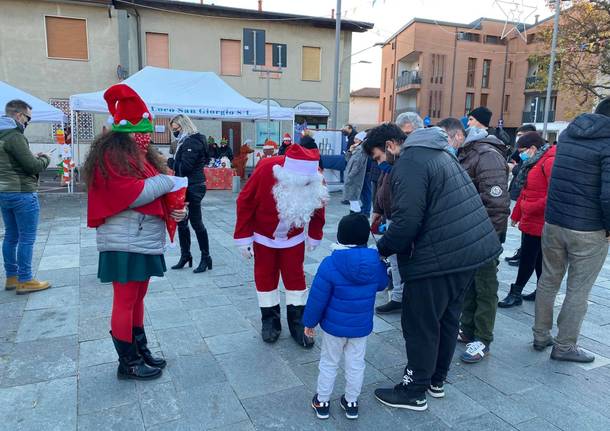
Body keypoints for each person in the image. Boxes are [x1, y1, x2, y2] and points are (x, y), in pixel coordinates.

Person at [370, 123, 501, 411]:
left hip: (440, 257)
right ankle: (435, 381)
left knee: (420, 323)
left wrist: (378, 251)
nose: (381, 166)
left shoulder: (410, 163)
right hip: (466, 253)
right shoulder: (437, 153)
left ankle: (414, 389)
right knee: (445, 320)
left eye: (379, 157)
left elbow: (407, 222)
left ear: (391, 145)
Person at [83, 84, 186, 380]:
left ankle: (139, 350)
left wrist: (177, 210)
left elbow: (154, 197)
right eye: (140, 133)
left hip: (139, 239)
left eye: (146, 133)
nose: (145, 139)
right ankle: (127, 362)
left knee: (137, 297)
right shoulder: (113, 158)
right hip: (124, 241)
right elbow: (131, 193)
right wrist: (170, 182)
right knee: (126, 299)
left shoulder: (138, 157)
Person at [533, 97, 610, 363]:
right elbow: (608, 194)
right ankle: (565, 346)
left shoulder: (567, 135)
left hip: (554, 222)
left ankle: (541, 335)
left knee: (548, 279)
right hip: (588, 229)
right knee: (579, 289)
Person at [234, 145, 327, 347]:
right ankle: (270, 321)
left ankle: (297, 322)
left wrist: (314, 234)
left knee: (295, 277)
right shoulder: (267, 169)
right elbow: (245, 201)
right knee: (265, 276)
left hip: (294, 236)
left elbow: (319, 205)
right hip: (263, 234)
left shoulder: (314, 175)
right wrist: (243, 236)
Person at [304, 213, 387, 421]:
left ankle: (322, 401)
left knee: (329, 363)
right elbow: (382, 284)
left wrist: (309, 323)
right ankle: (351, 402)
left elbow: (317, 298)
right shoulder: (375, 262)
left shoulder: (330, 263)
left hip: (334, 329)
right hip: (360, 328)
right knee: (356, 364)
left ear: (340, 237)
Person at [453, 111, 510, 364]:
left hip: (484, 235)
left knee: (485, 286)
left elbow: (497, 204)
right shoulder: (467, 154)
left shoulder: (487, 156)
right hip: (468, 233)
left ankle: (483, 338)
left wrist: (488, 239)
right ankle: (467, 328)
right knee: (469, 284)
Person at [499, 132, 555, 308]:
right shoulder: (535, 161)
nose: (520, 155)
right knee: (537, 258)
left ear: (533, 148)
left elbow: (553, 194)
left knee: (528, 258)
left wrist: (528, 209)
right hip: (531, 219)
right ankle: (542, 291)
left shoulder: (548, 161)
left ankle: (516, 292)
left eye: (522, 150)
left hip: (539, 220)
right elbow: (526, 191)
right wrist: (516, 214)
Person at [0, 100, 51, 294]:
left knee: (11, 235)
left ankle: (11, 277)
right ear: (19, 116)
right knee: (26, 238)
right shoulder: (14, 136)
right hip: (21, 193)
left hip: (3, 191)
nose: (28, 122)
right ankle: (26, 279)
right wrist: (45, 158)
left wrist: (31, 156)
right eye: (28, 118)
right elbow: (32, 167)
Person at [168, 114, 212, 273]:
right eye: (172, 129)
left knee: (196, 222)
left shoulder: (192, 141)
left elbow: (185, 167)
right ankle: (185, 255)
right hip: (185, 185)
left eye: (176, 129)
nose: (174, 132)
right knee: (181, 221)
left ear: (184, 126)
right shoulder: (185, 141)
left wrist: (170, 162)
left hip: (193, 186)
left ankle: (205, 257)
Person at [364, 133, 402, 314]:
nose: (378, 162)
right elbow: (382, 187)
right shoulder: (388, 168)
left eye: (378, 157)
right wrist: (378, 210)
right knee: (394, 261)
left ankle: (400, 297)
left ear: (389, 146)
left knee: (397, 259)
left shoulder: (403, 167)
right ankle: (398, 296)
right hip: (390, 216)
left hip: (400, 219)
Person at [506, 124, 538, 267]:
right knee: (523, 230)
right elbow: (513, 161)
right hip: (521, 194)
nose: (519, 138)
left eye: (521, 135)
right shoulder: (521, 150)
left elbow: (518, 168)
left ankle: (524, 255)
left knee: (529, 231)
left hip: (532, 201)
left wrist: (516, 167)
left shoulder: (538, 157)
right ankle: (522, 253)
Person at [342, 131, 368, 213]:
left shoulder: (361, 150)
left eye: (356, 139)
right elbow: (347, 159)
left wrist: (350, 176)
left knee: (353, 197)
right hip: (351, 176)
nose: (354, 140)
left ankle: (356, 213)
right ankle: (354, 213)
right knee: (351, 197)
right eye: (354, 138)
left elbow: (357, 166)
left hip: (355, 178)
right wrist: (350, 151)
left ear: (361, 140)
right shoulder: (357, 149)